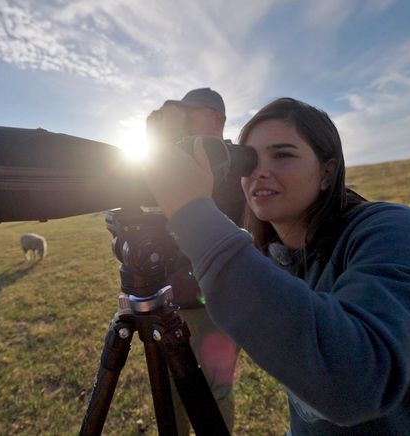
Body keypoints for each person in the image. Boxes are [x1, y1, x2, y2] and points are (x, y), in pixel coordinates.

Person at [142, 97, 410, 435]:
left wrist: (194, 215)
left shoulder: (397, 231)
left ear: (327, 171)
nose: (259, 171)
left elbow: (355, 385)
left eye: (283, 155)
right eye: (248, 161)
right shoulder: (275, 255)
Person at [146, 88, 242, 433]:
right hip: (169, 301)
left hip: (216, 304)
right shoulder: (174, 161)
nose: (182, 122)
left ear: (216, 118)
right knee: (171, 391)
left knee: (216, 392)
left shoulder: (236, 162)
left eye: (190, 114)